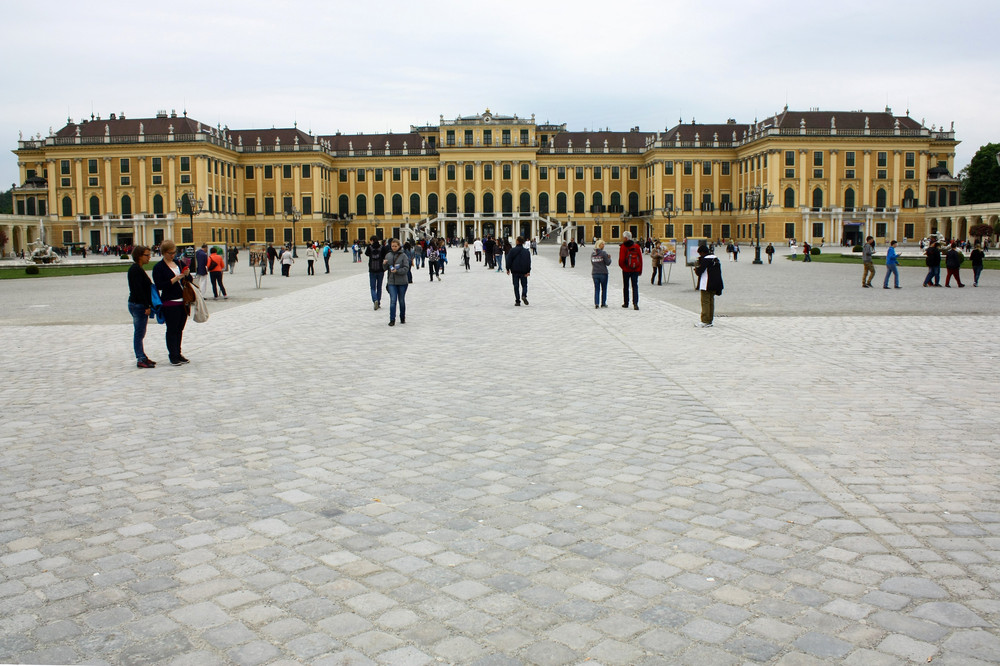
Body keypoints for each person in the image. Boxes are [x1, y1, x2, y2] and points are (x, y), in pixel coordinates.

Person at [152, 239, 192, 366]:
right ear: (163, 252)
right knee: (172, 329)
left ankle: (178, 353)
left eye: (174, 252)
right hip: (170, 301)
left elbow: (188, 280)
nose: (173, 255)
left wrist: (186, 274)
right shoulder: (159, 267)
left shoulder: (178, 263)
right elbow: (160, 285)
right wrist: (176, 278)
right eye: (170, 253)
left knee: (180, 328)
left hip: (183, 300)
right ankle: (173, 355)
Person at [127, 245, 156, 368]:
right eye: (147, 255)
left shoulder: (138, 269)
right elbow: (139, 290)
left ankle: (142, 355)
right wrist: (146, 306)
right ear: (139, 256)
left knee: (141, 332)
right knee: (139, 333)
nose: (149, 257)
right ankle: (140, 358)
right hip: (138, 305)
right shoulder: (135, 270)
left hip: (139, 304)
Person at [694, 244, 723, 328]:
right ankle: (710, 320)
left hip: (706, 284)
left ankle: (705, 320)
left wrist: (696, 269)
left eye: (700, 253)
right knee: (711, 302)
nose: (700, 255)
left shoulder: (706, 260)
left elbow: (700, 272)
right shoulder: (716, 259)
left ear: (702, 252)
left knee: (705, 302)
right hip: (715, 283)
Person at [383, 238, 410, 326]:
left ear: (399, 246)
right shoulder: (388, 255)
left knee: (401, 300)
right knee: (393, 300)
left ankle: (402, 317)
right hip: (392, 282)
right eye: (392, 246)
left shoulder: (403, 256)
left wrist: (397, 271)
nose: (394, 247)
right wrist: (384, 264)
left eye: (395, 246)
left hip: (402, 282)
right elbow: (384, 269)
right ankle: (392, 319)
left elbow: (406, 268)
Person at [618, 231, 643, 310]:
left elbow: (621, 260)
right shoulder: (636, 246)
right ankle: (635, 303)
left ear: (625, 238)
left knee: (626, 286)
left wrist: (623, 267)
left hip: (626, 270)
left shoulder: (623, 247)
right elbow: (640, 259)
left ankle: (626, 303)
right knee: (635, 286)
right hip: (635, 269)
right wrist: (639, 270)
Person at [506, 236, 531, 306]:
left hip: (515, 271)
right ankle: (524, 295)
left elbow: (508, 260)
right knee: (524, 285)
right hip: (524, 271)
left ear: (517, 241)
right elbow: (528, 262)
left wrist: (508, 269)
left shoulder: (512, 250)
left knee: (516, 286)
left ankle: (517, 301)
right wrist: (528, 271)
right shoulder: (526, 252)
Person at [591, 239, 612, 308]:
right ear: (599, 245)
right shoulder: (603, 253)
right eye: (603, 244)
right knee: (604, 288)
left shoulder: (593, 254)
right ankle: (603, 303)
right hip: (603, 273)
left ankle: (596, 303)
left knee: (596, 289)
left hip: (595, 273)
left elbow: (592, 263)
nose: (604, 245)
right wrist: (609, 258)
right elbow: (608, 263)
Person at [365, 237, 386, 306]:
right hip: (380, 269)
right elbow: (385, 256)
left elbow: (366, 254)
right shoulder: (382, 248)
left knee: (373, 287)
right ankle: (378, 301)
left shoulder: (369, 247)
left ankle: (375, 300)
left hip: (372, 269)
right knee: (379, 287)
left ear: (372, 241)